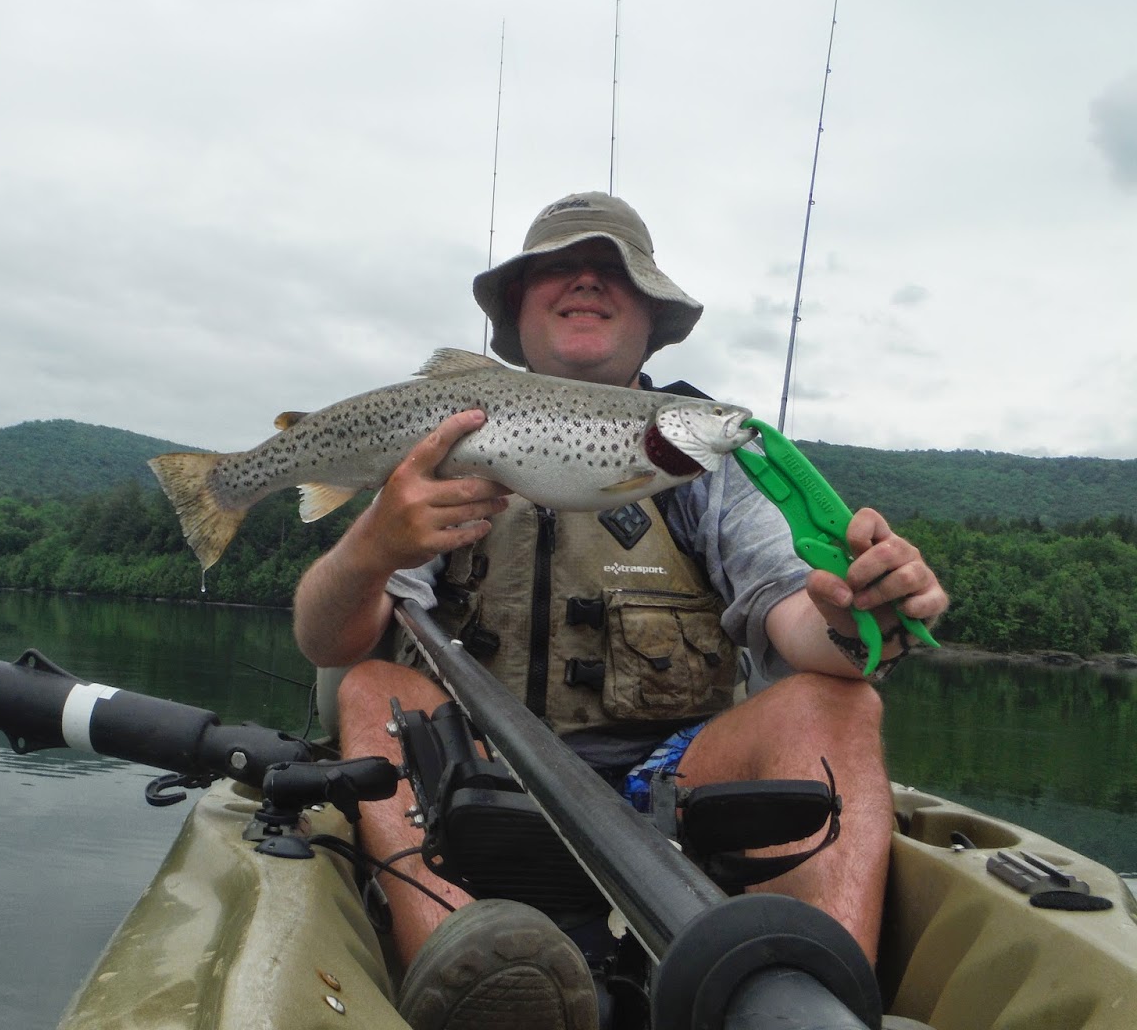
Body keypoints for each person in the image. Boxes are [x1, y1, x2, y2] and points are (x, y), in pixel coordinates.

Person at [292, 192, 949, 1030]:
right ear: (515, 313)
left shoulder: (709, 457)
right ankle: (472, 987)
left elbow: (796, 620)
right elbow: (326, 637)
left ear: (652, 319)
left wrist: (865, 619)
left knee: (842, 697)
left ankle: (805, 1002)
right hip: (474, 783)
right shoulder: (446, 447)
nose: (585, 282)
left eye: (614, 272)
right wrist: (372, 546)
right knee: (372, 687)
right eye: (556, 269)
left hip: (673, 789)